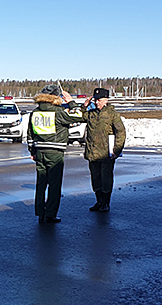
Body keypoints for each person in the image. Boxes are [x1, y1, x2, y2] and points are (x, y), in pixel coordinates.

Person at [27, 84, 84, 224]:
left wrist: (32, 151)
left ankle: (40, 212)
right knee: (54, 185)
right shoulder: (58, 112)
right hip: (55, 152)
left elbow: (30, 134)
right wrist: (71, 101)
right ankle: (50, 214)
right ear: (56, 97)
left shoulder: (35, 112)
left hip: (40, 151)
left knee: (41, 184)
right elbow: (79, 116)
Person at [81, 88, 126, 212]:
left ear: (106, 100)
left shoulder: (112, 114)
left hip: (106, 154)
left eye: (99, 100)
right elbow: (81, 117)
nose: (96, 102)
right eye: (95, 100)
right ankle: (98, 201)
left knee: (106, 179)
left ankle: (105, 202)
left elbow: (120, 132)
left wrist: (117, 150)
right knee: (95, 178)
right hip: (92, 153)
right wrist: (84, 106)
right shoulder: (91, 113)